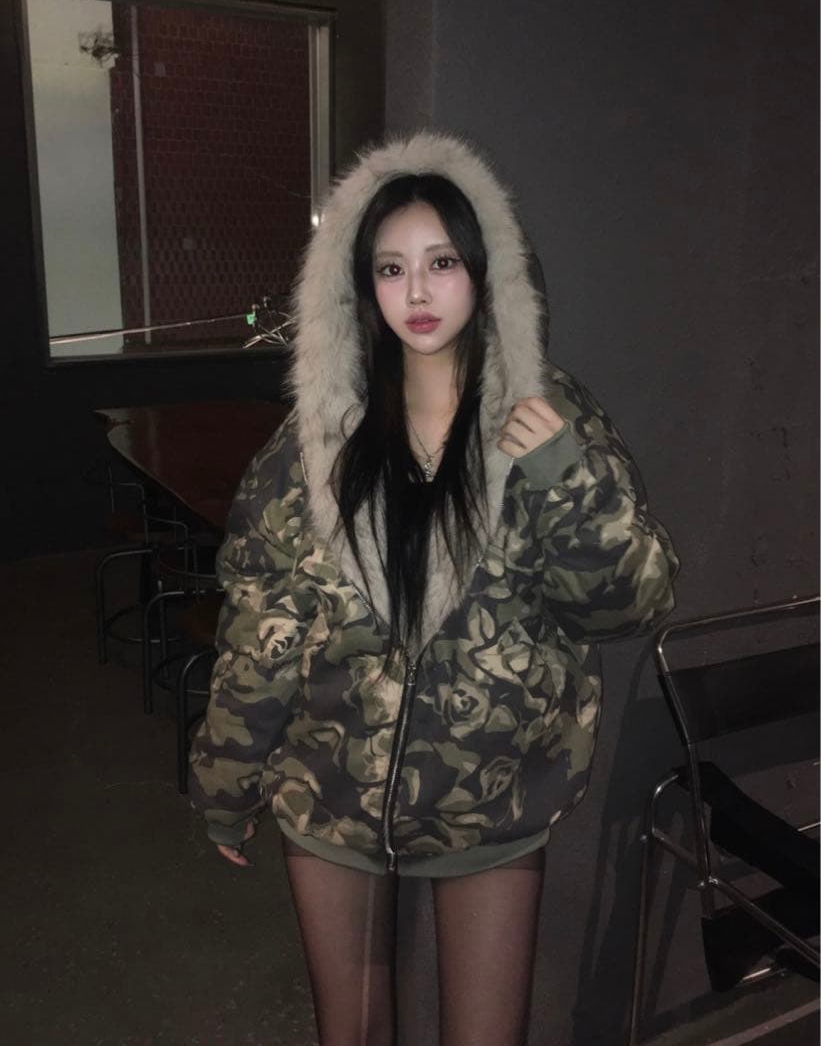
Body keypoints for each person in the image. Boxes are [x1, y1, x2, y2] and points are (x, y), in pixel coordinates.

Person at [189, 131, 679, 1046]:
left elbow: (629, 605)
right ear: (358, 287)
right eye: (390, 268)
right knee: (351, 1035)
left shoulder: (549, 420)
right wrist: (226, 780)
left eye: (442, 262)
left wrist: (562, 477)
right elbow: (261, 627)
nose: (416, 292)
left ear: (488, 272)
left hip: (490, 799)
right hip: (330, 791)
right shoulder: (312, 448)